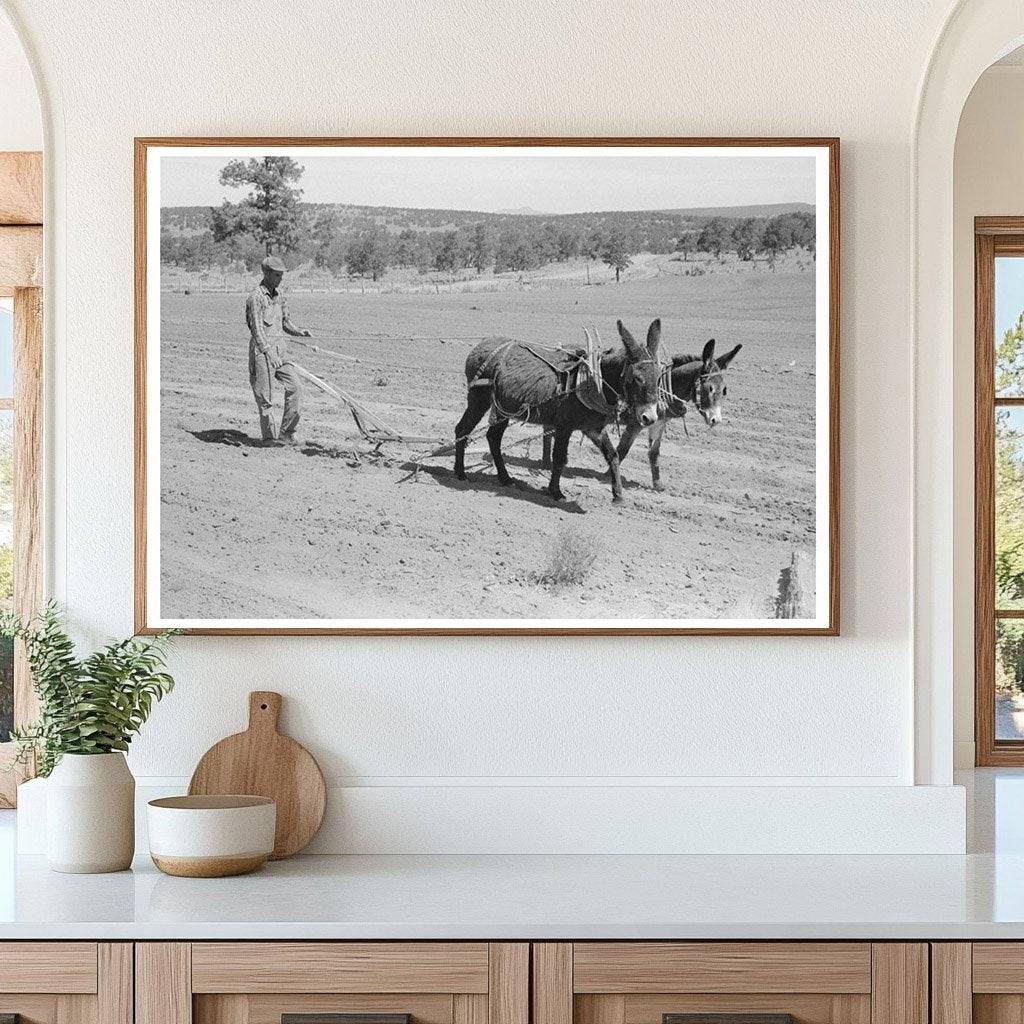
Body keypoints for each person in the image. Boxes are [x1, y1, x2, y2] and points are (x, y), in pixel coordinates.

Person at [245, 255, 312, 445]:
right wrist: (268, 351)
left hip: (281, 350)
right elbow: (257, 330)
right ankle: (268, 438)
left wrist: (299, 331)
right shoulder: (256, 297)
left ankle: (286, 433)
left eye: (281, 275)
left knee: (295, 387)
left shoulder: (280, 295)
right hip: (262, 352)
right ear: (266, 274)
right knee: (265, 397)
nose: (280, 279)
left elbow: (285, 322)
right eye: (276, 275)